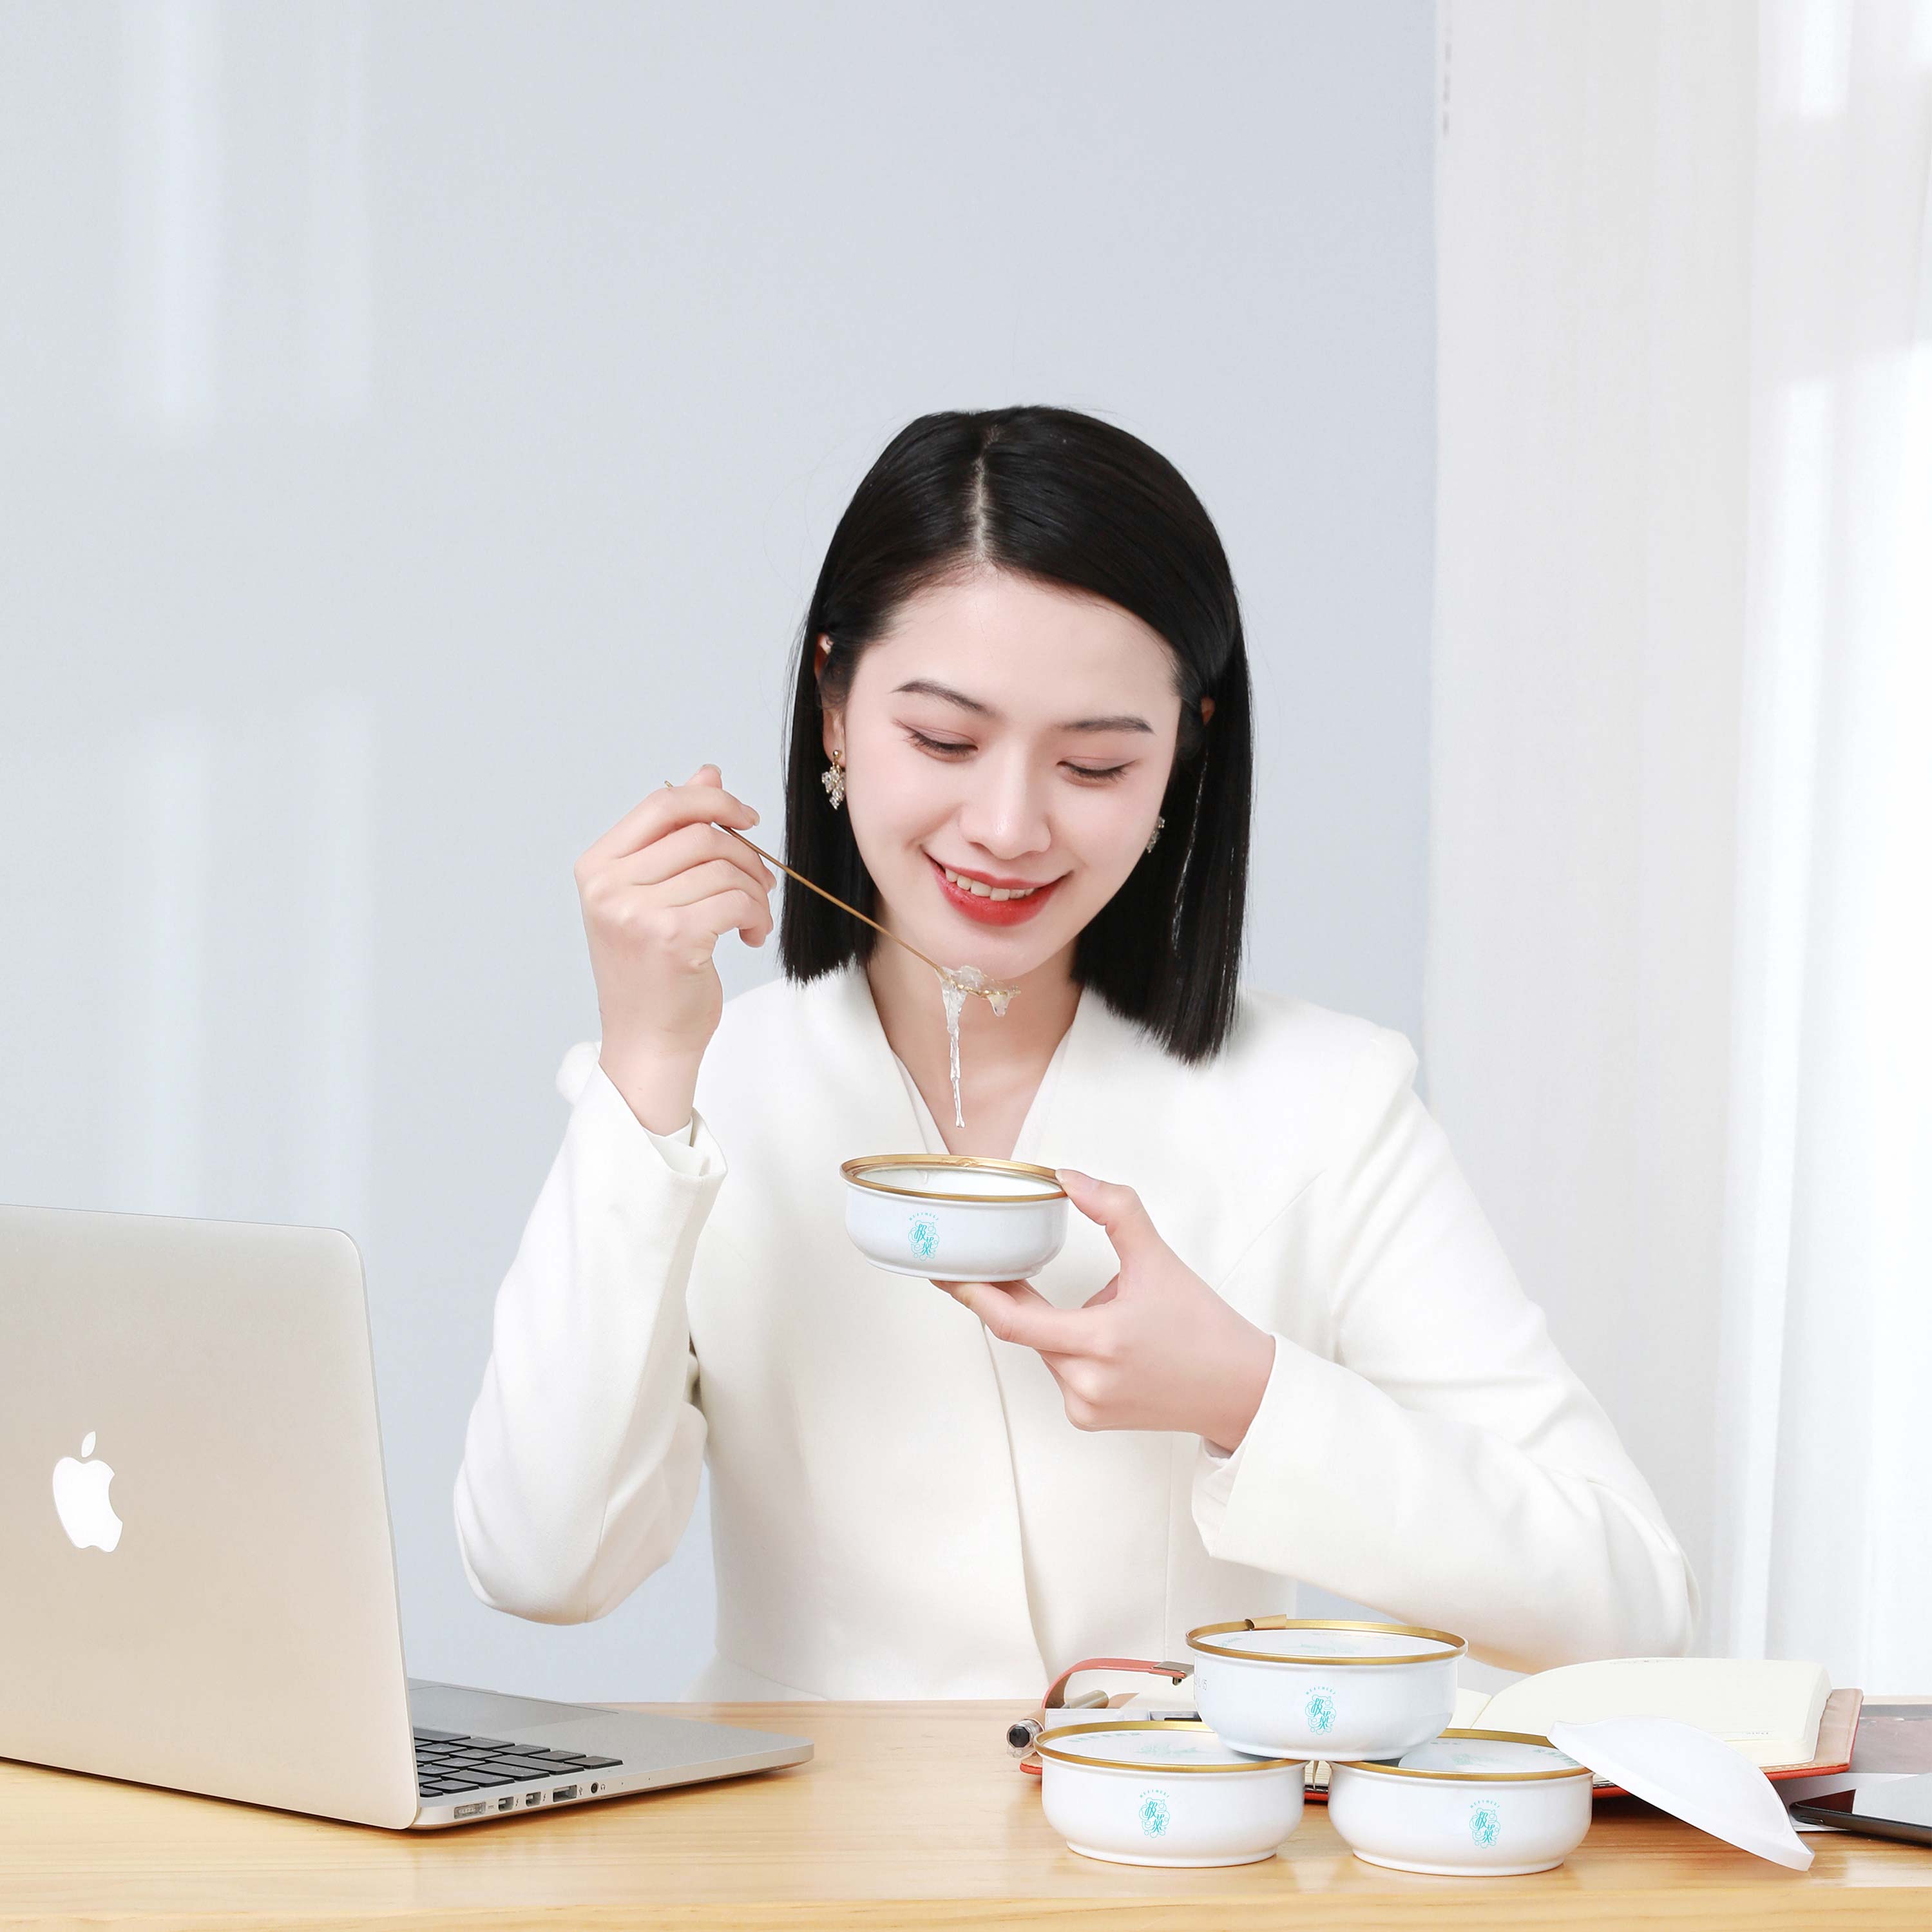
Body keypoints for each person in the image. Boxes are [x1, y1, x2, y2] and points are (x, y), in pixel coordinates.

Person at [454, 405, 1696, 1700]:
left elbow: (1633, 1605)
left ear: (1183, 755)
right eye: (944, 741)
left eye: (1095, 764)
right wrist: (647, 1065)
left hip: (1173, 1834)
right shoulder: (703, 1098)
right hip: (809, 1834)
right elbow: (542, 1563)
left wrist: (1250, 1396)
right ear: (833, 707)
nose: (1007, 827)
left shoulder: (1324, 1102)